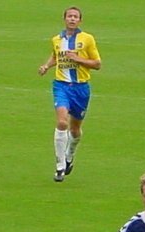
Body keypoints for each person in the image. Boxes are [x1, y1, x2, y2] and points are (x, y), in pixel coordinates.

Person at [38, 6, 101, 183]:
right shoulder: (56, 39)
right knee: (61, 122)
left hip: (81, 88)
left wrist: (78, 59)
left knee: (75, 130)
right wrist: (46, 66)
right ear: (64, 19)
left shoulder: (87, 39)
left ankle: (69, 155)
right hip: (61, 86)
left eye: (75, 17)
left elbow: (97, 64)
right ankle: (59, 167)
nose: (72, 19)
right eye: (69, 16)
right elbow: (55, 56)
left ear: (80, 20)